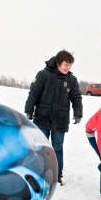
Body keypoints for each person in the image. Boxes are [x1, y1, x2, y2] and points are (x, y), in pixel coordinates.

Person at [25, 50, 83, 185]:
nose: (68, 68)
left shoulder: (71, 80)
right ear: (58, 63)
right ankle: (39, 171)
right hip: (42, 118)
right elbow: (34, 93)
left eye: (70, 66)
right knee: (41, 147)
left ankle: (57, 173)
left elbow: (76, 98)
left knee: (57, 148)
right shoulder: (43, 75)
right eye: (66, 64)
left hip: (60, 120)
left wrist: (77, 113)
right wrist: (29, 109)